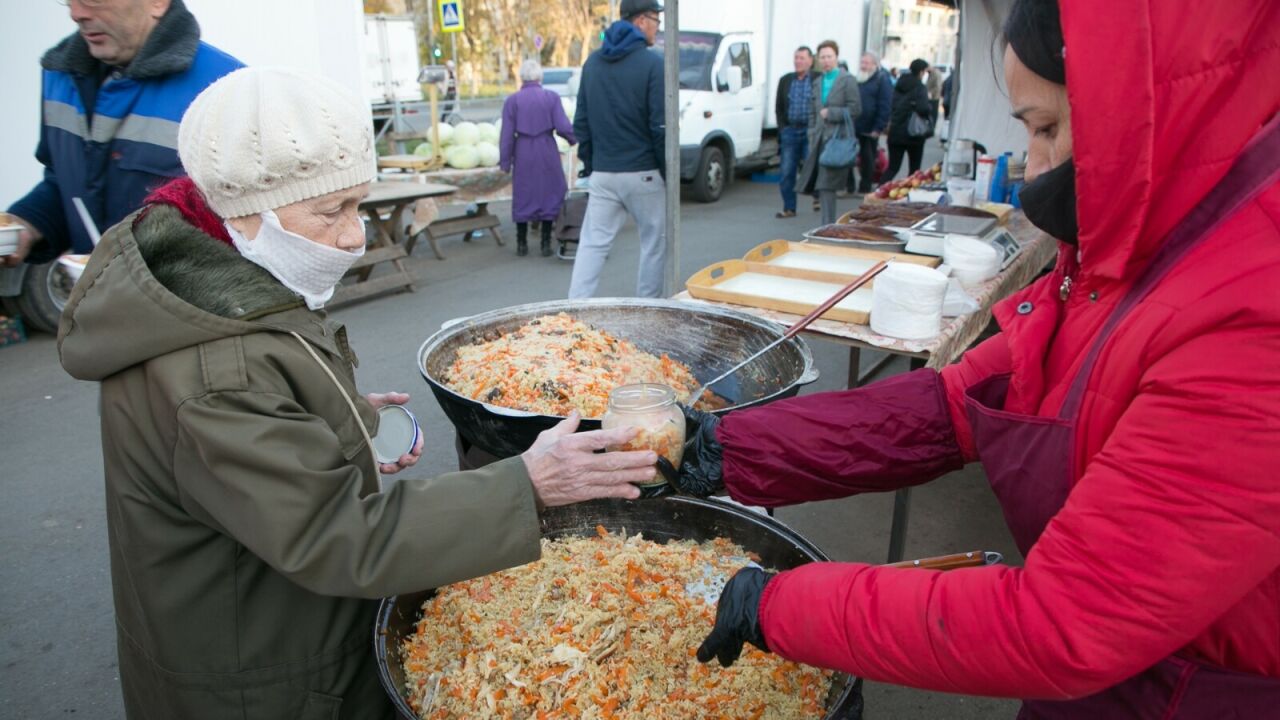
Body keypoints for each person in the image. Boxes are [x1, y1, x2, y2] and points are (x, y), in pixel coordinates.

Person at [662, 0, 1280, 715]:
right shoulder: (1138, 254)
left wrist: (779, 606)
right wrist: (729, 447)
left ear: (1144, 111)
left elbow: (1062, 623)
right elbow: (954, 406)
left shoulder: (1251, 310)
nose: (1033, 166)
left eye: (1047, 128)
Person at [57, 67, 659, 719]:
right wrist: (529, 483)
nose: (354, 235)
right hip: (259, 679)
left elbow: (244, 444)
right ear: (245, 211)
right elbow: (338, 536)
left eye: (359, 205)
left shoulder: (214, 273)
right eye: (331, 211)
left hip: (273, 625)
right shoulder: (215, 369)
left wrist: (333, 423)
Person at [3, 0, 241, 269]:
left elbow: (249, 229)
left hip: (181, 306)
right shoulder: (58, 76)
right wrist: (25, 225)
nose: (76, 13)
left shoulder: (226, 89)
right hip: (88, 302)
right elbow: (67, 187)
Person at [567, 0, 666, 299]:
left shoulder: (593, 63)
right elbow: (659, 126)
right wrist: (665, 171)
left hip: (604, 174)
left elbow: (581, 124)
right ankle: (648, 311)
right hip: (643, 172)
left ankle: (573, 313)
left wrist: (592, 163)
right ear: (639, 21)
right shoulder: (653, 64)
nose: (657, 27)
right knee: (653, 243)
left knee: (593, 245)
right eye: (655, 20)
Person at [500, 59, 576, 257]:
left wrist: (505, 161)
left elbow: (506, 134)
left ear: (522, 77)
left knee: (524, 193)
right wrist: (573, 140)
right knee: (548, 192)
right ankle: (545, 244)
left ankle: (521, 243)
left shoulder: (512, 101)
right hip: (546, 149)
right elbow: (562, 126)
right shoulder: (551, 98)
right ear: (540, 77)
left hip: (523, 150)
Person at [797, 39, 860, 226]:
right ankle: (828, 225)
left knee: (826, 185)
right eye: (822, 57)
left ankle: (828, 226)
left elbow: (855, 109)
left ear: (836, 57)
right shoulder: (818, 81)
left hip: (837, 140)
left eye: (829, 56)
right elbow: (812, 110)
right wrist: (811, 132)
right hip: (819, 139)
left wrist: (832, 113)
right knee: (822, 185)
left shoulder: (847, 80)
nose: (825, 61)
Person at [772, 46, 815, 218]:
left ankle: (817, 196)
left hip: (809, 131)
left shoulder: (817, 79)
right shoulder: (786, 80)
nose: (798, 61)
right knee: (787, 171)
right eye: (796, 58)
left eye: (802, 58)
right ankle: (789, 207)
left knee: (812, 167)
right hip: (790, 131)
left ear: (811, 61)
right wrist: (783, 128)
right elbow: (779, 107)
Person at [884, 58, 932, 181]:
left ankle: (877, 193)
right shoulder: (920, 87)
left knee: (892, 168)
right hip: (914, 134)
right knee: (914, 171)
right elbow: (923, 109)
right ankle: (909, 196)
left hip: (895, 131)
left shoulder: (899, 84)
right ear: (921, 72)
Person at [853, 51, 893, 194]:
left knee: (867, 157)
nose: (863, 66)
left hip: (871, 127)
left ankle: (865, 185)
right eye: (862, 62)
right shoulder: (858, 79)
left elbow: (885, 105)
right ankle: (850, 185)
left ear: (875, 65)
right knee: (850, 156)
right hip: (856, 125)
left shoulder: (881, 79)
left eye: (867, 63)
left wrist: (878, 127)